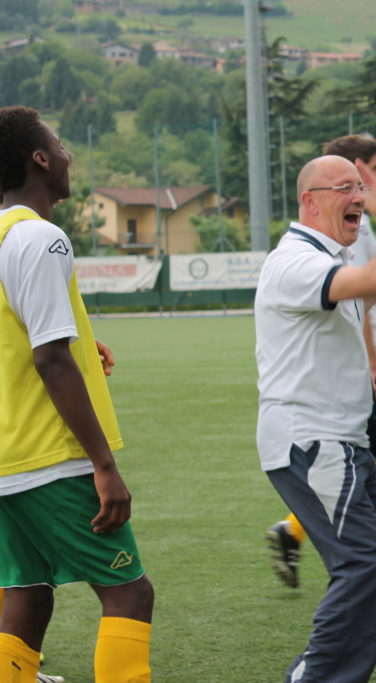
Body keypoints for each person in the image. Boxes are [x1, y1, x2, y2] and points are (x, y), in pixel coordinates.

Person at [255, 151, 376, 682]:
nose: (357, 197)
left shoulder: (327, 256)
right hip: (312, 441)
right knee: (367, 569)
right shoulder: (297, 260)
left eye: (360, 186)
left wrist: (369, 399)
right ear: (309, 201)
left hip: (340, 440)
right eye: (344, 187)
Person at [0, 105, 155, 683]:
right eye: (59, 145)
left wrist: (84, 344)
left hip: (7, 458)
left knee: (27, 597)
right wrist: (104, 465)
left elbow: (24, 338)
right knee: (129, 594)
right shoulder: (41, 237)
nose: (68, 155)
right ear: (40, 159)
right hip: (49, 459)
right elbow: (48, 358)